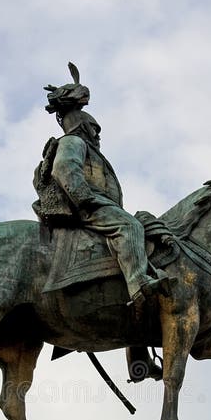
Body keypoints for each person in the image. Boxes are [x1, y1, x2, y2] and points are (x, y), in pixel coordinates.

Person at [34, 64, 169, 306]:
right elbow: (64, 169)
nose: (98, 135)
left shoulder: (87, 147)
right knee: (129, 226)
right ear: (83, 126)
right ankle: (139, 283)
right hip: (87, 204)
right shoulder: (74, 141)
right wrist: (86, 198)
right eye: (95, 129)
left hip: (97, 204)